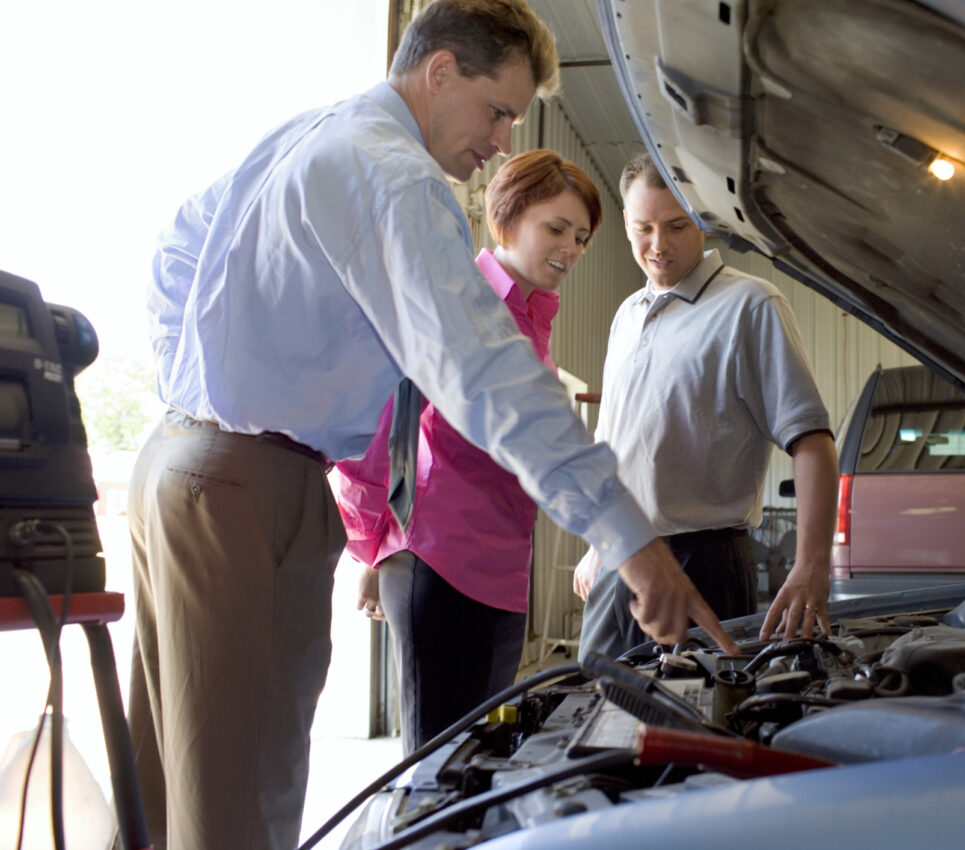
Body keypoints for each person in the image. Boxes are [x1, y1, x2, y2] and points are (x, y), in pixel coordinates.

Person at [127, 3, 735, 848]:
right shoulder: (394, 174)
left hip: (179, 466)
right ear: (440, 71)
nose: (498, 141)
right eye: (496, 112)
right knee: (237, 807)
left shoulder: (312, 135)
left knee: (158, 791)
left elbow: (174, 256)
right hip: (250, 482)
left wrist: (196, 389)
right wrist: (632, 540)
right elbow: (486, 374)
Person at [336, 148, 602, 755]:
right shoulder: (458, 300)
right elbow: (378, 425)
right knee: (435, 765)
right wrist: (372, 549)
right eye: (555, 228)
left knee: (477, 760)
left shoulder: (532, 317)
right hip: (440, 559)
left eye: (582, 237)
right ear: (505, 219)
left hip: (502, 570)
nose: (570, 248)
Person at [574, 152, 839, 660]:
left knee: (693, 724)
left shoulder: (751, 306)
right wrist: (598, 544)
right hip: (618, 556)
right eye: (642, 227)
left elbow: (812, 441)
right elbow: (616, 444)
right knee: (594, 719)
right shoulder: (626, 316)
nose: (658, 245)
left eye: (676, 225)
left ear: (704, 221)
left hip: (703, 561)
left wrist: (812, 566)